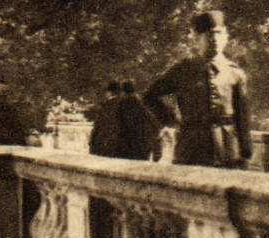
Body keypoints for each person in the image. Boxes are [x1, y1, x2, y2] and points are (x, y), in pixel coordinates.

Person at [143, 9, 253, 168]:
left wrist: (245, 149)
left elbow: (243, 117)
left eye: (218, 34)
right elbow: (149, 96)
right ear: (197, 39)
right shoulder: (182, 70)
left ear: (225, 37)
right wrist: (171, 119)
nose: (214, 39)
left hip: (228, 150)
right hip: (191, 149)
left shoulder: (235, 73)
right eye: (208, 35)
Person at [115, 81, 162, 161]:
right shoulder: (142, 103)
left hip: (128, 145)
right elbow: (154, 123)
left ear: (123, 91)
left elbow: (118, 125)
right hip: (143, 144)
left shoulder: (121, 104)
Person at [87, 82, 124, 157]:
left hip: (104, 143)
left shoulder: (107, 105)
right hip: (117, 145)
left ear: (109, 93)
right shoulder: (122, 105)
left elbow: (99, 125)